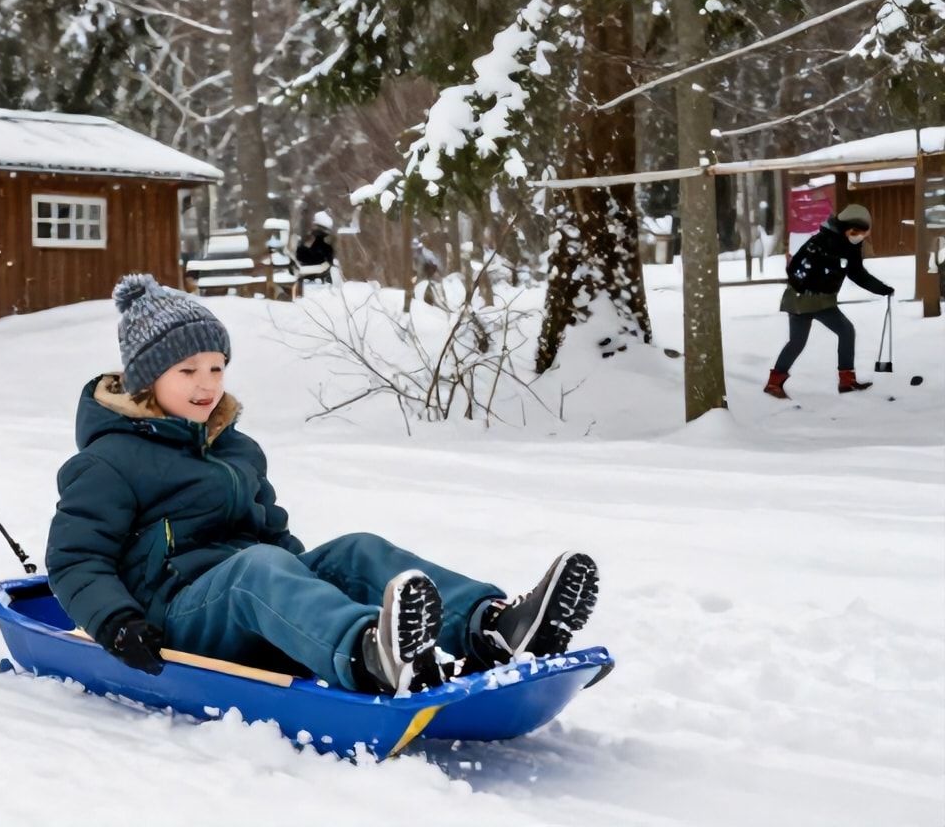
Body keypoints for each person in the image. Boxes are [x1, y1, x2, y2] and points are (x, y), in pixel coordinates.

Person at [47, 274, 600, 695]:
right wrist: (117, 624)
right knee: (255, 570)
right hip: (174, 617)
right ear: (148, 378)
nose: (207, 385)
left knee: (353, 550)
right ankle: (367, 654)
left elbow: (276, 542)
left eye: (217, 368)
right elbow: (75, 561)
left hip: (248, 593)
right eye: (188, 371)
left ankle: (492, 627)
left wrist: (314, 585)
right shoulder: (110, 460)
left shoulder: (235, 450)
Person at [765, 203, 894, 399]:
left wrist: (882, 289)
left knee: (837, 333)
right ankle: (776, 382)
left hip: (822, 301)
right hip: (803, 299)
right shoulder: (820, 242)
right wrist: (810, 285)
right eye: (855, 232)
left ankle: (845, 380)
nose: (858, 236)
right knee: (805, 339)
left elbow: (857, 273)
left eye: (862, 233)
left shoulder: (850, 247)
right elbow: (795, 269)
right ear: (845, 227)